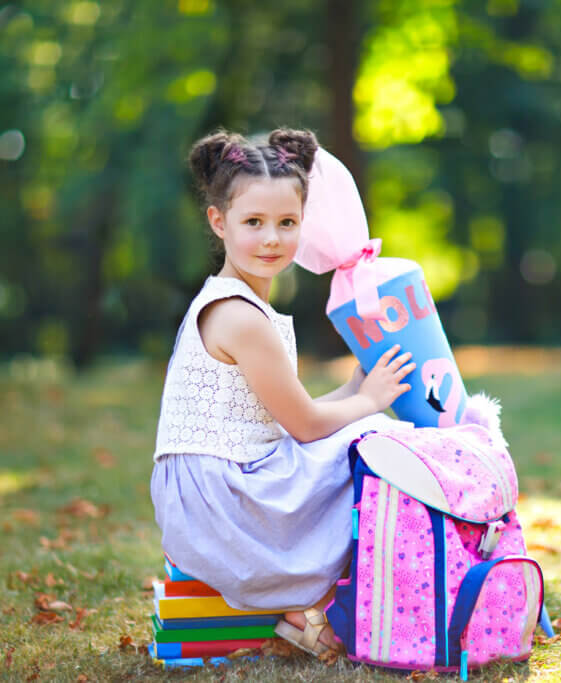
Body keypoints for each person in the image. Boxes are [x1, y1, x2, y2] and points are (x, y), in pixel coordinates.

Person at [150, 127, 416, 657]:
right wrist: (370, 400)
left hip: (222, 479)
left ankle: (303, 607)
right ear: (218, 221)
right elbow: (306, 426)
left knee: (360, 432)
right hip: (222, 500)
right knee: (377, 439)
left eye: (287, 223)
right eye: (254, 223)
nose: (272, 239)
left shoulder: (235, 302)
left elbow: (300, 413)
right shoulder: (239, 317)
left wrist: (358, 382)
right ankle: (319, 601)